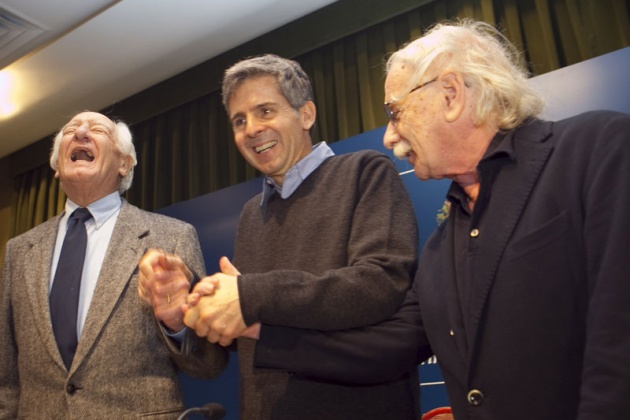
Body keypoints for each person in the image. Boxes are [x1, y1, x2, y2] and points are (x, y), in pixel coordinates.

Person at [243, 20, 630, 419]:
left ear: (450, 94)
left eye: (395, 112)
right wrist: (259, 330)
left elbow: (619, 342)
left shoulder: (596, 149)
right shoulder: (441, 245)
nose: (389, 137)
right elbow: (388, 348)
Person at [138, 54, 420, 419]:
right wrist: (185, 310)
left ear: (306, 115)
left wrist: (248, 295)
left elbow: (379, 285)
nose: (251, 128)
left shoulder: (366, 171)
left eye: (265, 111)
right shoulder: (251, 214)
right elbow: (245, 336)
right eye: (239, 120)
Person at [0, 111, 228, 418]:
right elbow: (6, 377)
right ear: (56, 167)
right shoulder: (19, 251)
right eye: (70, 130)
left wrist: (178, 326)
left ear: (124, 163)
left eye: (96, 130)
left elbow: (209, 364)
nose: (80, 133)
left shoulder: (171, 237)